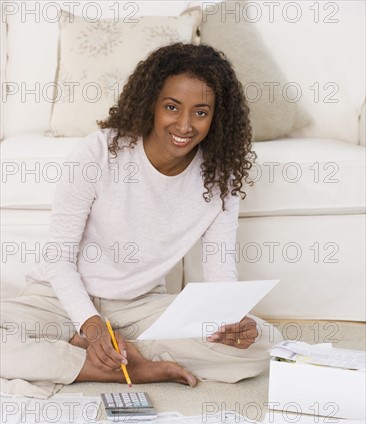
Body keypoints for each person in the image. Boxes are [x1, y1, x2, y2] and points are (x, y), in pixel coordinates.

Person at [0, 43, 281, 399]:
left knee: (265, 344)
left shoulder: (218, 178)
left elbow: (219, 270)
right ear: (151, 103)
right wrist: (91, 326)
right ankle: (104, 367)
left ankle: (106, 352)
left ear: (217, 117)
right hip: (59, 300)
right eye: (171, 107)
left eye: (200, 112)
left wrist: (230, 320)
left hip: (139, 309)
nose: (184, 125)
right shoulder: (98, 152)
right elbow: (58, 259)